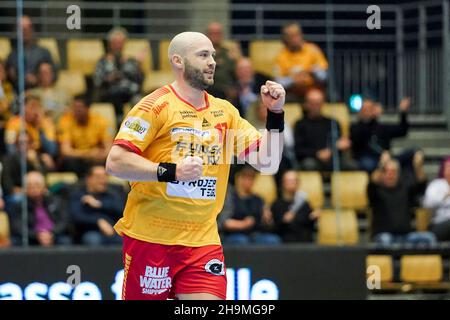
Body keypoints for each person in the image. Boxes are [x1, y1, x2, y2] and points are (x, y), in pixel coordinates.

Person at [106, 31, 286, 300]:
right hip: (152, 238)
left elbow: (268, 162)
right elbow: (116, 162)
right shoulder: (155, 106)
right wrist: (172, 172)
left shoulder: (225, 112)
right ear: (178, 61)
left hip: (202, 241)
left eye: (213, 55)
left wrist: (275, 114)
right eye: (203, 55)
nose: (212, 61)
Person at [368, 155, 435, 246]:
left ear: (398, 174)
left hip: (406, 236)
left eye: (393, 172)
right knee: (385, 240)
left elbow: (422, 183)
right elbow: (372, 181)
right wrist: (381, 165)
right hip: (384, 236)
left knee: (429, 237)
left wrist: (418, 166)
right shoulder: (376, 191)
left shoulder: (405, 190)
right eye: (386, 171)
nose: (390, 174)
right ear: (382, 174)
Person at [294, 87, 354, 171]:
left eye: (318, 103)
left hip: (332, 157)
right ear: (306, 104)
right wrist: (317, 154)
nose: (315, 106)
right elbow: (298, 149)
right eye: (312, 103)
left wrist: (332, 150)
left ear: (323, 103)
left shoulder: (333, 122)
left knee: (351, 165)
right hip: (311, 158)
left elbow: (341, 143)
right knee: (309, 164)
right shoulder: (300, 124)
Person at [220, 165, 281, 245]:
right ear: (239, 178)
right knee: (242, 240)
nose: (249, 181)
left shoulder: (258, 199)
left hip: (255, 234)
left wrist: (267, 219)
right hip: (234, 234)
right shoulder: (230, 197)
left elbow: (266, 225)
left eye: (252, 178)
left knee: (273, 240)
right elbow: (224, 222)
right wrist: (243, 224)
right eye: (245, 177)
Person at [8, 171, 72, 246]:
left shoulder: (56, 201)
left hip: (54, 235)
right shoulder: (19, 205)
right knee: (16, 241)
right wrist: (37, 235)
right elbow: (17, 226)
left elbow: (64, 221)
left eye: (37, 185)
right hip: (31, 237)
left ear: (44, 187)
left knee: (65, 241)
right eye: (30, 186)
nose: (34, 189)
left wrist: (52, 233)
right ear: (25, 189)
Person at [93, 27, 144, 120]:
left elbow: (139, 79)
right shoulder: (103, 61)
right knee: (114, 95)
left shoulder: (130, 60)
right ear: (109, 44)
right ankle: (119, 124)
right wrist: (109, 78)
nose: (118, 45)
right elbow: (97, 81)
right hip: (110, 93)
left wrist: (138, 65)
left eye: (120, 43)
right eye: (115, 43)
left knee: (141, 101)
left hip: (129, 93)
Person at [57, 95, 113, 177]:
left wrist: (99, 154)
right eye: (74, 107)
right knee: (69, 162)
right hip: (77, 159)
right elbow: (65, 151)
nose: (75, 111)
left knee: (108, 160)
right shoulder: (66, 121)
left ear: (87, 108)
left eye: (79, 108)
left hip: (95, 159)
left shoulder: (100, 121)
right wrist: (87, 154)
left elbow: (109, 149)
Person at [351, 97, 411, 173]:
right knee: (369, 164)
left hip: (387, 157)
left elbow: (402, 131)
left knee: (414, 153)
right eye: (364, 109)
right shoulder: (355, 128)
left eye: (369, 108)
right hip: (367, 158)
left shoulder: (382, 127)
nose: (366, 111)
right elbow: (360, 139)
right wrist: (382, 155)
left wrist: (403, 112)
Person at [69, 165, 124, 246]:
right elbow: (76, 216)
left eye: (105, 177)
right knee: (93, 239)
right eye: (98, 177)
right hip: (90, 231)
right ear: (89, 179)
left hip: (113, 230)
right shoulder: (78, 195)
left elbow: (121, 210)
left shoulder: (112, 194)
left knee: (126, 241)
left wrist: (100, 204)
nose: (103, 181)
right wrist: (98, 221)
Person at [275, 22, 328, 101]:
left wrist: (313, 71)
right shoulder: (281, 56)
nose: (294, 38)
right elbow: (278, 81)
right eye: (291, 36)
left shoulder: (313, 50)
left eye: (297, 34)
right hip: (292, 92)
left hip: (312, 89)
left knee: (315, 97)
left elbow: (324, 76)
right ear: (285, 38)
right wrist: (293, 80)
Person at [6, 16, 56, 90]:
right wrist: (23, 79)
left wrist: (38, 79)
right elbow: (9, 76)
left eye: (28, 28)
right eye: (22, 29)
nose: (25, 31)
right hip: (18, 93)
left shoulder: (44, 52)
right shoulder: (12, 55)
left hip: (41, 92)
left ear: (32, 30)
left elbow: (55, 74)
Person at [271, 170, 320, 242]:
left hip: (306, 242)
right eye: (288, 181)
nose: (291, 183)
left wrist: (313, 217)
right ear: (283, 183)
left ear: (298, 183)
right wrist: (284, 221)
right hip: (286, 244)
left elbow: (310, 225)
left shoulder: (304, 203)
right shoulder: (277, 204)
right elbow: (275, 228)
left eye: (294, 180)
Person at [4, 93, 57, 159]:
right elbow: (10, 149)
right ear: (23, 108)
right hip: (21, 158)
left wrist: (39, 128)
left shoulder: (46, 122)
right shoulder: (14, 122)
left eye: (38, 107)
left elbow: (52, 150)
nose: (35, 111)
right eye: (32, 107)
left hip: (40, 156)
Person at [205, 22, 237, 100]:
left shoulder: (229, 54)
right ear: (207, 35)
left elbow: (235, 75)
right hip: (205, 91)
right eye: (212, 33)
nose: (215, 36)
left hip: (226, 94)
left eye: (218, 33)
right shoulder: (201, 54)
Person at [423, 157, 450, 241]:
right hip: (438, 224)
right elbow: (427, 204)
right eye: (448, 167)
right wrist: (444, 196)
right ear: (443, 169)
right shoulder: (435, 185)